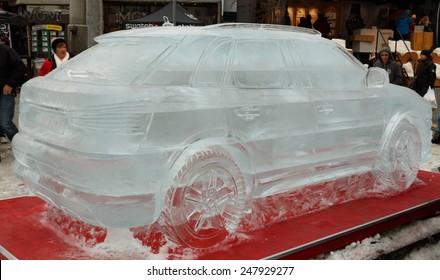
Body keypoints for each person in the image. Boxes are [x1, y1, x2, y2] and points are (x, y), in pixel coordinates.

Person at [0, 43, 26, 142]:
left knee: (5, 123)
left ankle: (21, 143)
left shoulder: (6, 51)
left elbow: (21, 67)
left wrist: (10, 84)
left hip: (5, 92)